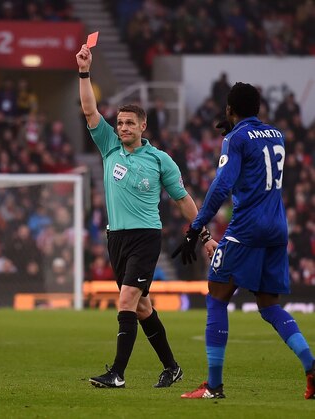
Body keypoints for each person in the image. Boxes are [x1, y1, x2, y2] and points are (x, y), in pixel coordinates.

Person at [76, 44, 217, 389]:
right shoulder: (109, 145)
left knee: (125, 300)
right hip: (116, 239)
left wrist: (203, 235)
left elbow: (183, 200)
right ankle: (172, 368)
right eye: (120, 122)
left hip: (145, 237)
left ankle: (118, 374)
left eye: (129, 123)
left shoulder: (160, 160)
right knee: (141, 308)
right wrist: (84, 72)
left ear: (143, 126)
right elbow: (89, 109)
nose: (122, 127)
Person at [174, 82, 315, 400]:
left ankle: (213, 385)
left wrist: (195, 228)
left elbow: (222, 185)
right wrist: (237, 127)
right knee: (269, 306)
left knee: (217, 296)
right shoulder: (276, 135)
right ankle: (311, 366)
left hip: (247, 228)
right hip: (278, 228)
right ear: (259, 108)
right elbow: (256, 151)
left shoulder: (235, 138)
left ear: (229, 110)